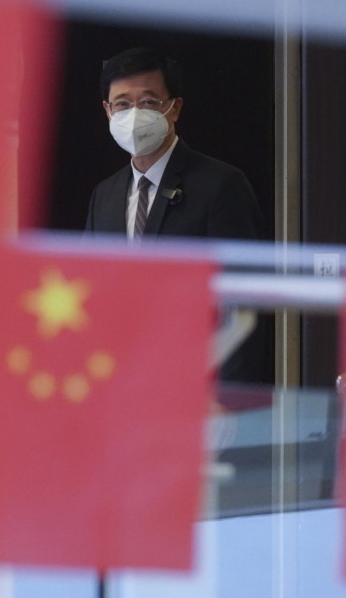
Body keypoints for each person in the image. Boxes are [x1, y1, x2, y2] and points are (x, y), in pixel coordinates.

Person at [85, 47, 269, 384]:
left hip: (197, 390)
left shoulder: (220, 185)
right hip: (120, 388)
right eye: (123, 104)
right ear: (107, 111)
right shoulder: (105, 196)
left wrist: (228, 398)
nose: (135, 113)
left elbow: (245, 304)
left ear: (174, 109)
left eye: (149, 102)